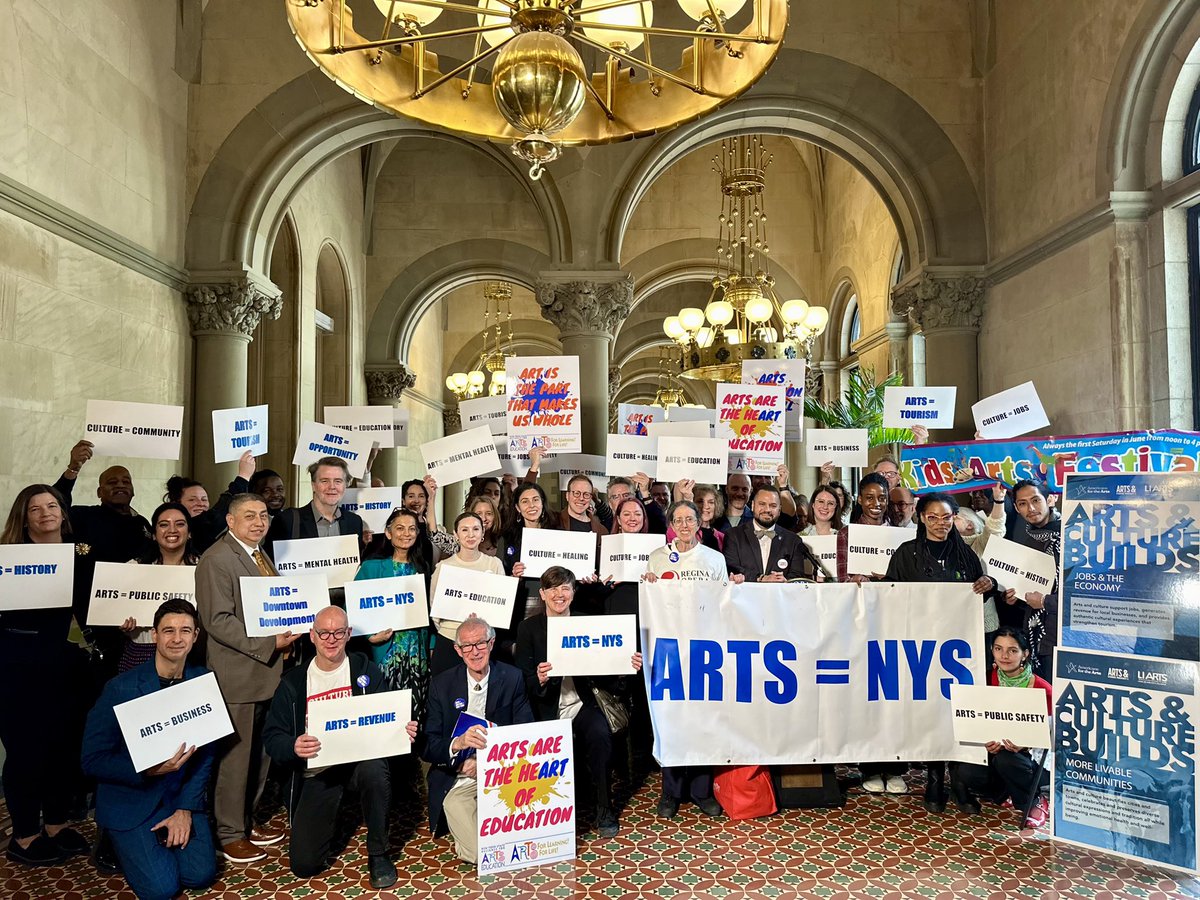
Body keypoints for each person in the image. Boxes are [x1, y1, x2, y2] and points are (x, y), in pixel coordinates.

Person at [81, 599, 218, 900]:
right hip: (132, 799)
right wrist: (146, 769)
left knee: (200, 874)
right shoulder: (121, 687)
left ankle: (161, 838)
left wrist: (185, 808)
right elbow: (91, 759)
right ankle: (114, 838)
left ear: (196, 636)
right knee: (161, 889)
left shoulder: (203, 681)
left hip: (177, 797)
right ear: (154, 635)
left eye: (185, 630)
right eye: (168, 630)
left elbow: (206, 754)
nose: (177, 638)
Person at [884, 492, 1006, 813]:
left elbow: (983, 591)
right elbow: (889, 596)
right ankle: (934, 778)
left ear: (955, 519)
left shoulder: (965, 554)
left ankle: (960, 782)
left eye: (947, 518)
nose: (940, 524)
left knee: (962, 711)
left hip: (959, 652)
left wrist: (987, 582)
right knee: (930, 712)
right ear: (921, 517)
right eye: (933, 517)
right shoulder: (905, 553)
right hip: (921, 649)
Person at [195, 493, 301, 863]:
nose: (259, 522)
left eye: (264, 516)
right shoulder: (217, 559)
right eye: (249, 516)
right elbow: (217, 621)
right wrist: (270, 642)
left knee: (261, 755)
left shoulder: (259, 553)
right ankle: (229, 833)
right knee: (236, 759)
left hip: (268, 672)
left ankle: (247, 820)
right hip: (237, 675)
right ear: (229, 520)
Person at [262, 606, 400, 889]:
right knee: (304, 865)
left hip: (359, 764)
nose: (331, 639)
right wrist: (293, 746)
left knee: (376, 770)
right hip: (318, 770)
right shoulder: (294, 682)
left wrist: (400, 728)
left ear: (348, 634)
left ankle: (378, 852)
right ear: (312, 636)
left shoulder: (366, 671)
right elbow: (272, 737)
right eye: (324, 632)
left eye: (338, 632)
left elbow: (388, 717)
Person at [0, 485, 92, 866]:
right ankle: (24, 834)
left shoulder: (82, 554)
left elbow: (97, 603)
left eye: (52, 505)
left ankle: (55, 824)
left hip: (69, 667)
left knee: (62, 747)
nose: (45, 513)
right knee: (26, 751)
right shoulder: (7, 560)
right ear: (24, 517)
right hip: (19, 667)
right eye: (35, 508)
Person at [515, 567, 644, 838]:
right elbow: (522, 679)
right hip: (546, 705)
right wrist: (538, 679)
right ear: (542, 594)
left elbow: (610, 677)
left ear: (574, 593)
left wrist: (625, 666)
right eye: (552, 589)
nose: (559, 595)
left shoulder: (588, 623)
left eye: (565, 589)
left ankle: (604, 808)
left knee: (600, 734)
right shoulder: (529, 628)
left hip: (583, 703)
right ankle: (548, 816)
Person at [422, 617, 533, 864]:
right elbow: (429, 745)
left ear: (492, 643)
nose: (475, 652)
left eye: (480, 644)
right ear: (457, 650)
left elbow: (526, 732)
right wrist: (458, 746)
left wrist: (486, 762)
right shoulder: (441, 685)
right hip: (460, 775)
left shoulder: (512, 677)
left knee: (528, 835)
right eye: (467, 646)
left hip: (503, 769)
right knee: (479, 854)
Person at [643, 500, 726, 818]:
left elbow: (723, 604)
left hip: (705, 649)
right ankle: (671, 792)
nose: (684, 525)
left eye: (690, 519)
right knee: (671, 718)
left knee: (704, 718)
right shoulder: (657, 558)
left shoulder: (714, 558)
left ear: (699, 522)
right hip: (669, 650)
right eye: (678, 520)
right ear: (671, 524)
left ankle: (702, 791)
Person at [949, 626, 1052, 828]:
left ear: (1025, 654)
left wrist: (1025, 746)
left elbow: (1053, 741)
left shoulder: (1043, 689)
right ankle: (1006, 793)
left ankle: (1034, 800)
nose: (1004, 656)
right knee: (967, 772)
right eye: (998, 649)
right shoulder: (984, 681)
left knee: (1008, 760)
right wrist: (983, 743)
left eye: (1013, 650)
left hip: (1028, 761)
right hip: (996, 755)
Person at [355, 508, 433, 720]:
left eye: (411, 529)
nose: (406, 533)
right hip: (387, 650)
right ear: (388, 533)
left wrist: (432, 645)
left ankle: (412, 753)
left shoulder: (422, 567)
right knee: (386, 709)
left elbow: (429, 610)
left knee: (416, 708)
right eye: (400, 528)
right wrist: (368, 636)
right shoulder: (371, 568)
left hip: (417, 651)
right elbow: (352, 608)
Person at [118, 502, 200, 673]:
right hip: (141, 653)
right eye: (164, 524)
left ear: (189, 532)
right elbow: (112, 610)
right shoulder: (132, 568)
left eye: (180, 524)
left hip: (190, 654)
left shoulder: (204, 569)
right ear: (154, 534)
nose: (172, 530)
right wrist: (119, 621)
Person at [429, 512, 507, 675]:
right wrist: (458, 627)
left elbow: (502, 606)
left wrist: (478, 627)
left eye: (476, 529)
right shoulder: (443, 567)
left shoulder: (494, 564)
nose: (471, 535)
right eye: (464, 530)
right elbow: (435, 609)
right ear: (456, 534)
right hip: (450, 640)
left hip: (483, 643)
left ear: (482, 533)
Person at [52, 440, 153, 564]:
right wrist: (73, 468)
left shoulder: (142, 524)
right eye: (112, 482)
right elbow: (55, 506)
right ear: (99, 492)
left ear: (132, 491)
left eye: (126, 482)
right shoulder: (83, 516)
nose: (120, 485)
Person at [1006, 480, 1062, 680]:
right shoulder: (1029, 538)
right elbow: (1032, 585)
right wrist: (1015, 596)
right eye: (1022, 503)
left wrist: (1046, 601)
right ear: (1016, 508)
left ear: (1050, 499)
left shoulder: (1073, 536)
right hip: (1036, 635)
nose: (1030, 508)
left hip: (1064, 637)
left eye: (1036, 500)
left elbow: (1084, 594)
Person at [265, 457, 365, 558]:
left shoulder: (354, 522)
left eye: (338, 481)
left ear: (345, 486)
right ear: (313, 485)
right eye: (324, 481)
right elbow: (268, 564)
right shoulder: (287, 521)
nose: (332, 486)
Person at [166, 450, 257, 553]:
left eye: (204, 499)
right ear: (177, 504)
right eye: (192, 499)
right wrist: (243, 477)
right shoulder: (190, 527)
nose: (200, 503)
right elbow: (217, 516)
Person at [723, 485, 817, 582]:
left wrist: (786, 581)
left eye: (773, 506)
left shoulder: (793, 540)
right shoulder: (734, 535)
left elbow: (797, 577)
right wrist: (761, 578)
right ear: (753, 506)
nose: (767, 510)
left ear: (779, 510)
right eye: (762, 504)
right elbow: (731, 568)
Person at [835, 473, 892, 582]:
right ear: (860, 499)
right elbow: (842, 580)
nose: (876, 504)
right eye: (870, 498)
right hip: (861, 596)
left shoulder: (899, 534)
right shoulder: (846, 534)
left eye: (882, 498)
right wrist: (853, 580)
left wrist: (890, 578)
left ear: (887, 500)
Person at [402, 476, 456, 560]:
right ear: (403, 501)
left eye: (421, 496)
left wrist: (432, 495)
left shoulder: (438, 531)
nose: (416, 500)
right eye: (411, 496)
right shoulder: (395, 530)